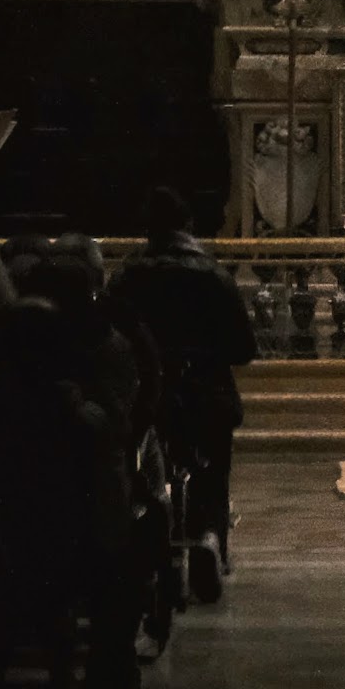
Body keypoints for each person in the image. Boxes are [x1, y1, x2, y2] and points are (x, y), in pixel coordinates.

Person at [109, 188, 257, 603]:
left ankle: (156, 547)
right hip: (206, 392)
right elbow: (243, 348)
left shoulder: (128, 277)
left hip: (150, 395)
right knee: (212, 472)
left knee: (146, 473)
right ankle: (210, 537)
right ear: (189, 226)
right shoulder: (212, 275)